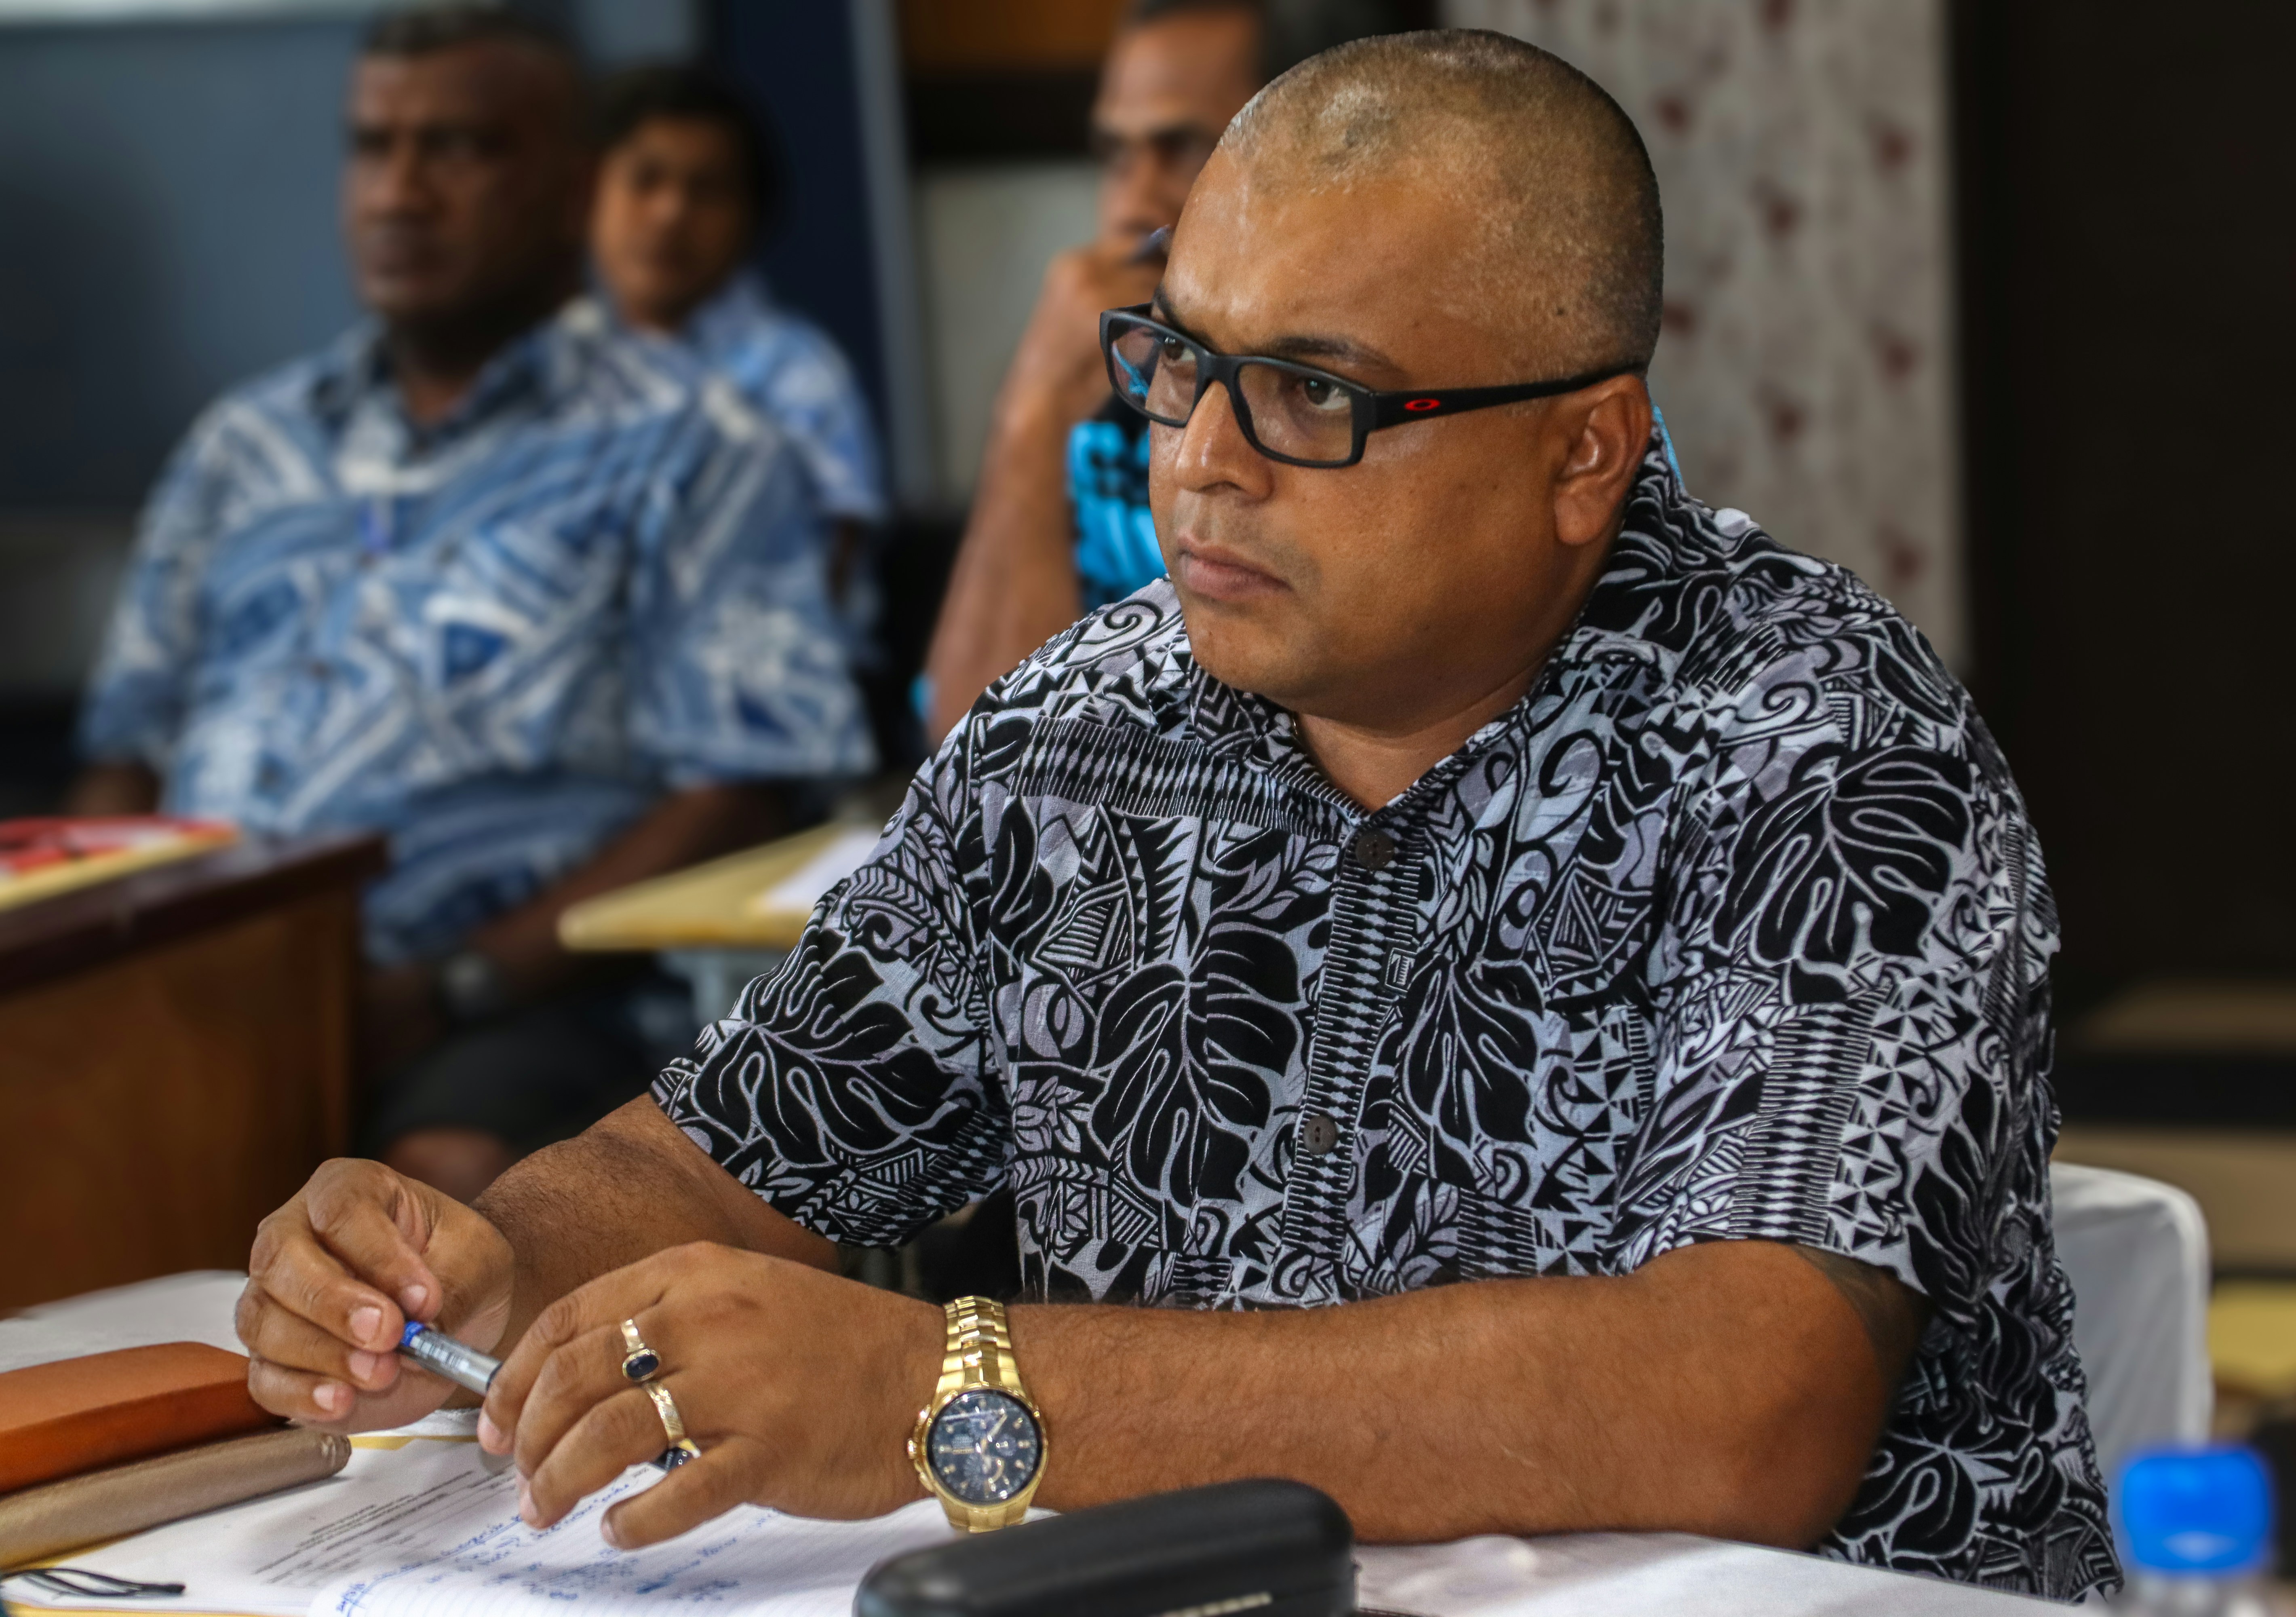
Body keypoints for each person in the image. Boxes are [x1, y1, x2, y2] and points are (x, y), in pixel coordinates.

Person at [234, 30, 2118, 1602]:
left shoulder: (1812, 742)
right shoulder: (1078, 730)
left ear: (1579, 452)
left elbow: (1735, 1406)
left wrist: (945, 1383)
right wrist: (484, 1253)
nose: (1200, 463)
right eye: (1181, 360)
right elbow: (721, 1155)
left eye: (1311, 393)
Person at [69, 6, 872, 1205]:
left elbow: (742, 790)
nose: (399, 193)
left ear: (570, 187)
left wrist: (460, 984)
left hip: (513, 1004)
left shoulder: (693, 443)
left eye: (457, 149)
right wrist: (113, 959)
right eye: (373, 146)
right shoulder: (246, 447)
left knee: (423, 1220)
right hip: (211, 1002)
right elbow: (125, 757)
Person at [920, 0, 1269, 742]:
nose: (1131, 203)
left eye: (1178, 149)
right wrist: (1033, 410)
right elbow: (968, 745)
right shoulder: (1103, 395)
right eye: (1115, 156)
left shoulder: (1334, 412)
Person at [586, 64, 886, 610]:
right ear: (585, 192)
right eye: (645, 179)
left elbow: (829, 572)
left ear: (752, 216)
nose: (671, 213)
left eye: (706, 190)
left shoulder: (797, 372)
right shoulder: (546, 356)